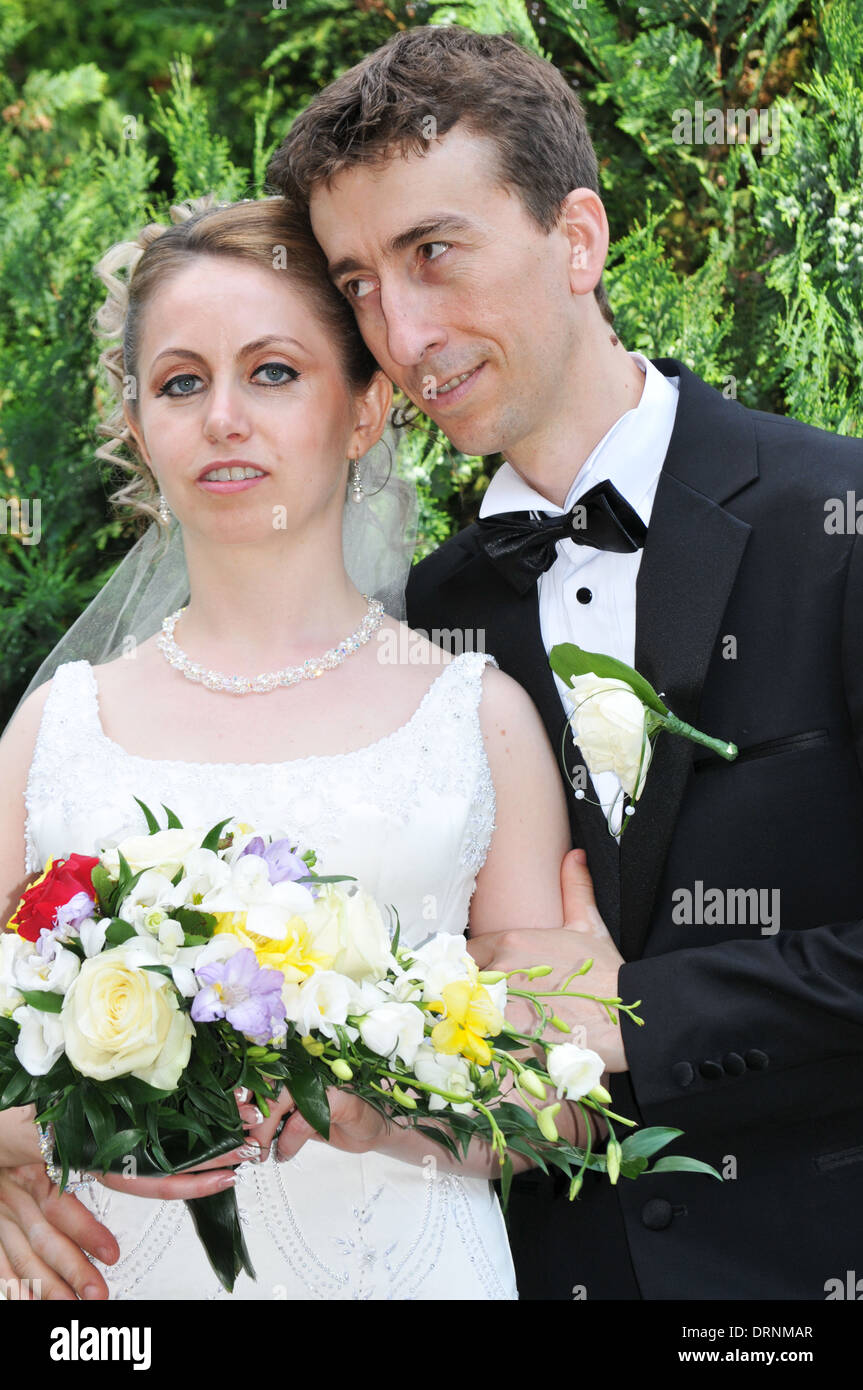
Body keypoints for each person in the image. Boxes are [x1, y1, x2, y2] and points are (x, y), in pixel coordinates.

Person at [260, 25, 863, 1299]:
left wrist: (640, 1009)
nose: (404, 330)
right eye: (358, 281)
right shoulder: (417, 629)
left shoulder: (835, 521)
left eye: (433, 253)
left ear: (576, 239)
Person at [0, 192, 602, 1300]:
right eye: (181, 382)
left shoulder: (478, 719)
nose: (224, 416)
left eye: (273, 370)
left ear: (365, 407)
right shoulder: (56, 729)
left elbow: (554, 1104)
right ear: (138, 423)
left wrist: (387, 1117)